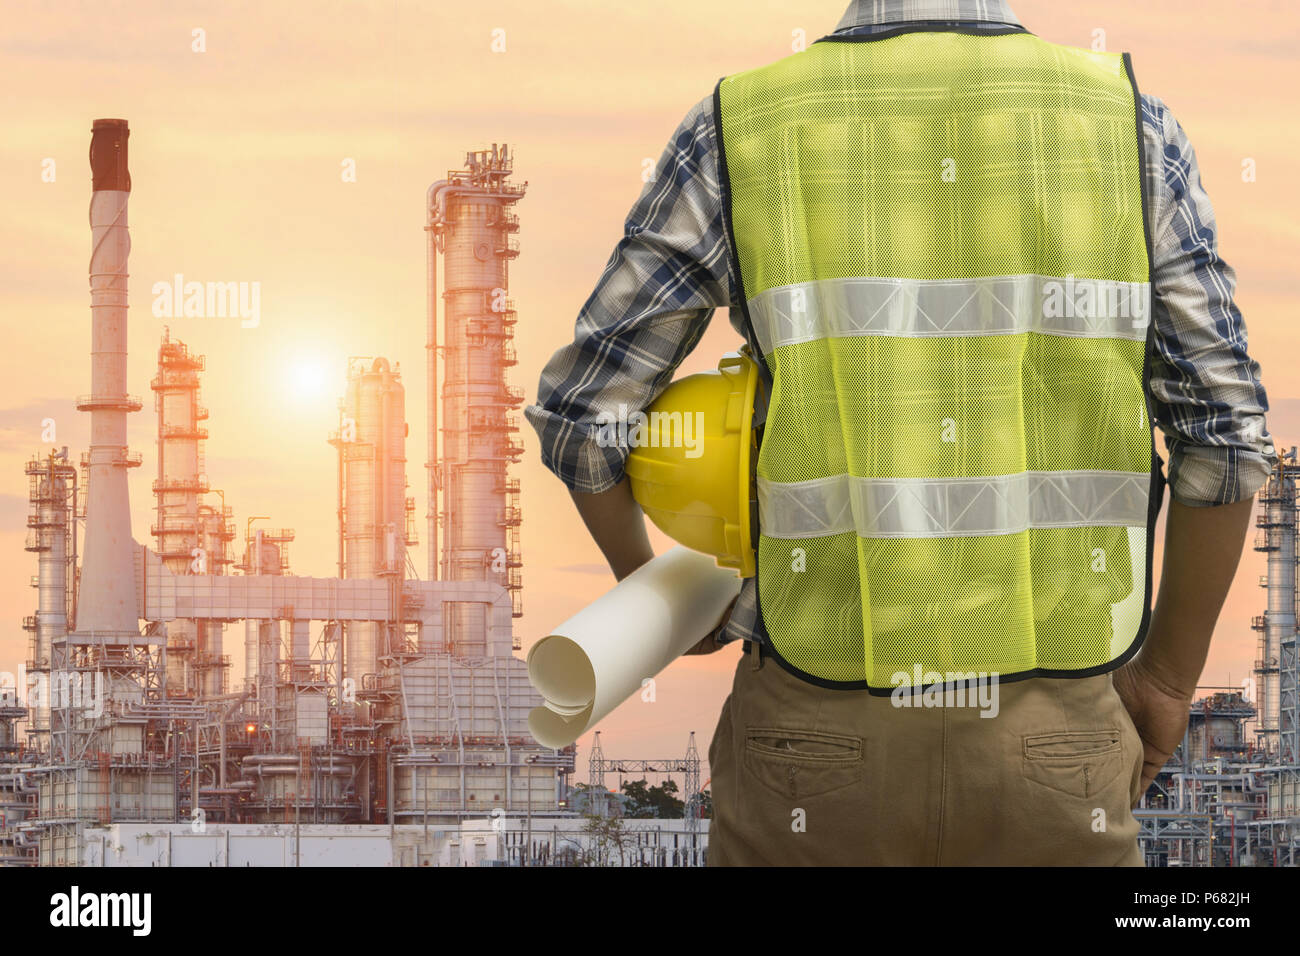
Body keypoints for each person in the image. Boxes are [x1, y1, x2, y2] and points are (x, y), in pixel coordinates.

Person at [525, 0, 1276, 865]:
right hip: (1055, 746)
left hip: (812, 750)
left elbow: (584, 416)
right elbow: (1223, 433)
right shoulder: (1129, 125)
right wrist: (1168, 684)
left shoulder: (741, 127)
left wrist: (655, 599)